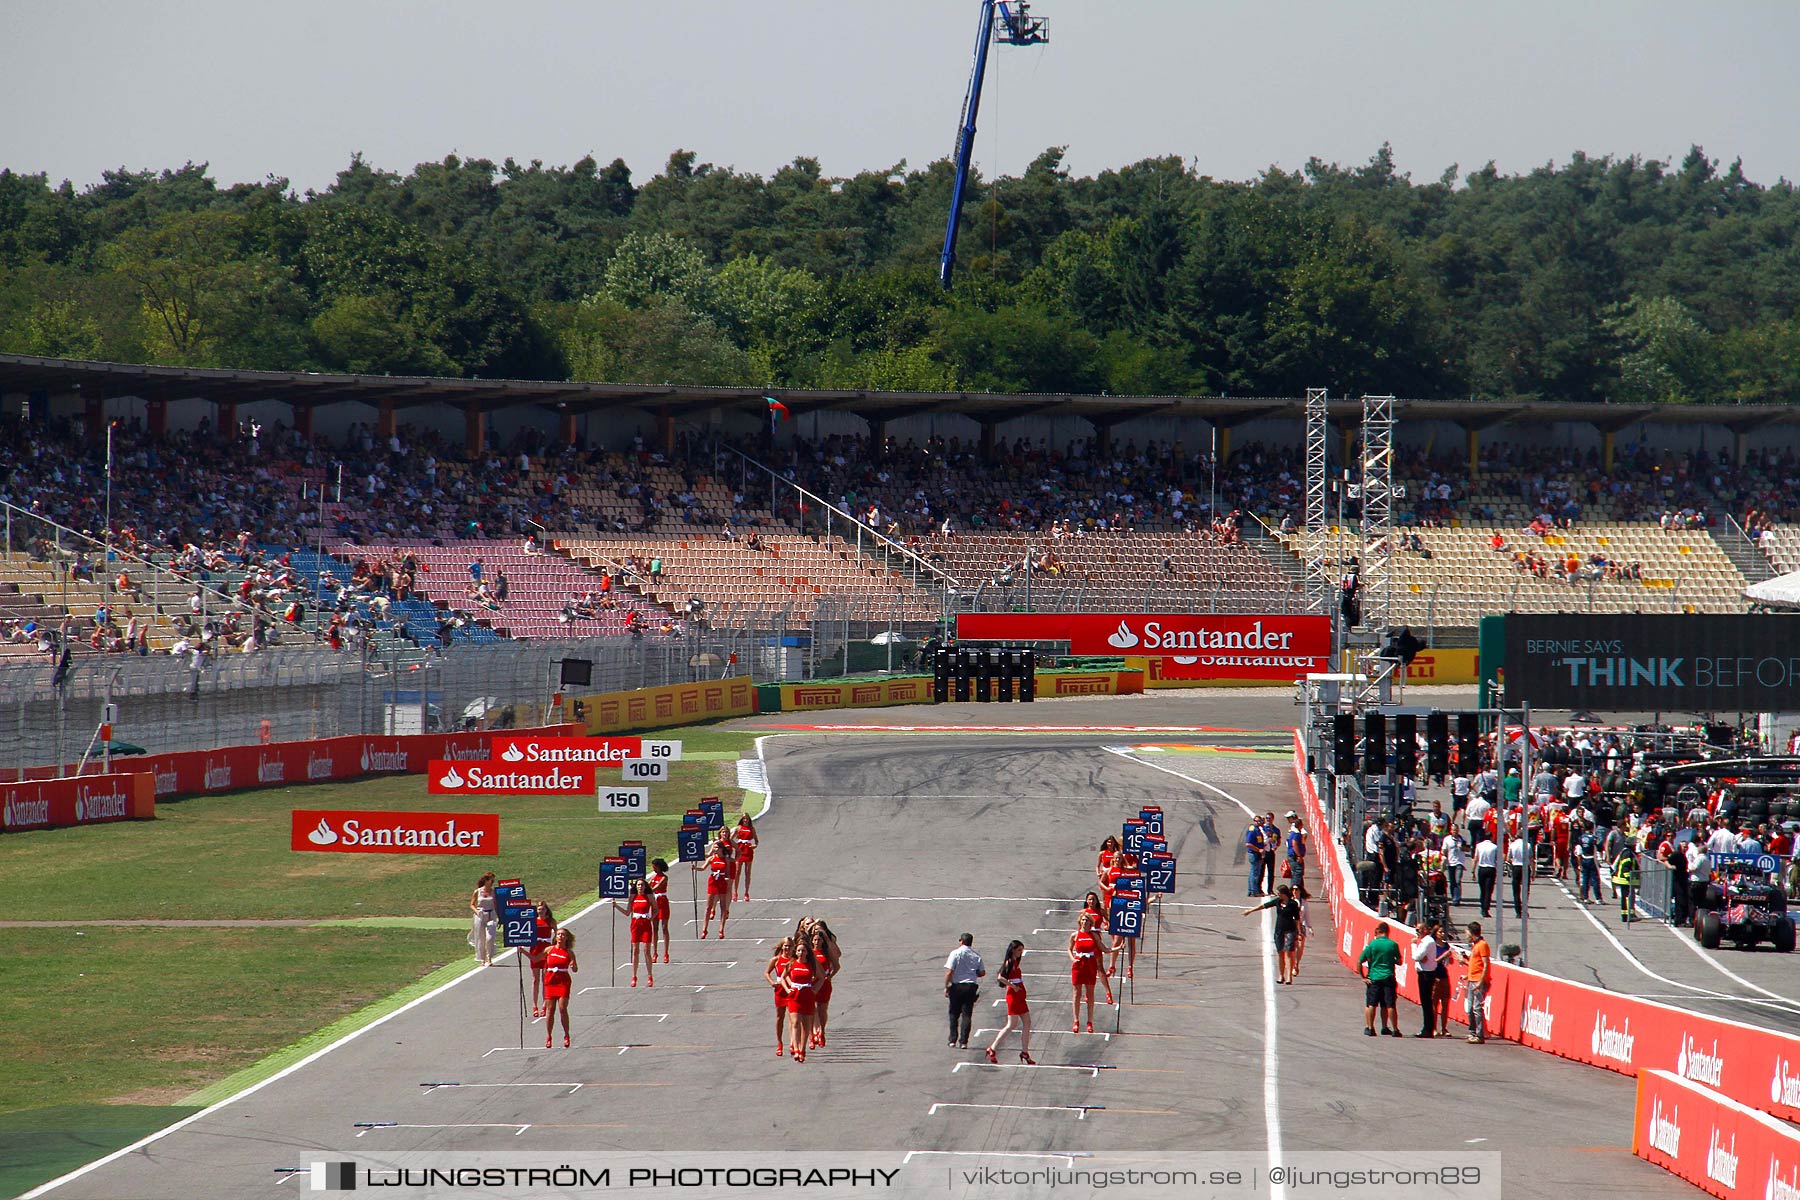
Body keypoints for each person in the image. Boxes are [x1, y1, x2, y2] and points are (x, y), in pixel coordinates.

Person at [985, 940, 1035, 1065]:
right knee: (1011, 1024)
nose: (1020, 953)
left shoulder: (1016, 962)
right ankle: (993, 1048)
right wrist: (1013, 986)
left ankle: (1025, 1051)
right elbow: (1000, 977)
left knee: (1027, 1022)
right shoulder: (1009, 962)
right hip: (1014, 996)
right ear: (1013, 950)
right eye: (1019, 950)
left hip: (1019, 995)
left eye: (1022, 951)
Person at [1244, 884, 1301, 985]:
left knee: (1288, 953)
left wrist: (1298, 932)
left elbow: (1297, 919)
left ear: (1284, 894)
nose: (1278, 895)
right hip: (1279, 930)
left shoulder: (1292, 904)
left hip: (1290, 930)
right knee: (1280, 953)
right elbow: (1264, 906)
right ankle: (1281, 975)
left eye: (1279, 893)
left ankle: (1289, 976)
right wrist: (1250, 911)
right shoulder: (1278, 902)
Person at [1359, 922, 1402, 1036]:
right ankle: (1393, 1029)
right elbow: (1400, 961)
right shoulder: (1393, 944)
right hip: (1388, 976)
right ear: (1388, 931)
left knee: (1371, 1003)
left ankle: (1370, 1027)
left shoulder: (1372, 944)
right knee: (1389, 1004)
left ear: (1378, 931)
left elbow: (1360, 961)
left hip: (1374, 977)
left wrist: (1363, 977)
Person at [1068, 912, 1109, 1032]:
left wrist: (1118, 948)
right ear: (1080, 922)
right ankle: (1076, 1021)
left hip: (1090, 964)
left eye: (1087, 920)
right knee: (1077, 993)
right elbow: (1069, 949)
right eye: (1083, 920)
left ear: (1091, 923)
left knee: (1090, 993)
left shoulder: (1094, 935)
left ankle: (1089, 1021)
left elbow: (1104, 949)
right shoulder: (1075, 935)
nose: (1085, 922)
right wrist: (1073, 959)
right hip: (1079, 964)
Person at [944, 932, 986, 1049]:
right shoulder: (976, 955)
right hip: (970, 987)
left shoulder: (955, 953)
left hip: (957, 986)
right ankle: (964, 1041)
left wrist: (946, 986)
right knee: (967, 1014)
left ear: (961, 941)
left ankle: (952, 1039)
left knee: (954, 1013)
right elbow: (982, 972)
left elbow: (949, 971)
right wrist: (974, 972)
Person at [614, 879, 656, 987]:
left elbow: (656, 909)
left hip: (645, 924)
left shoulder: (649, 896)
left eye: (642, 885)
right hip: (635, 924)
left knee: (646, 951)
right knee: (635, 950)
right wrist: (616, 906)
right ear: (636, 886)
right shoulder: (633, 897)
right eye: (638, 885)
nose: (640, 887)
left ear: (645, 886)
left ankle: (650, 976)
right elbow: (627, 912)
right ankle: (634, 976)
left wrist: (650, 919)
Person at [783, 938, 818, 1062]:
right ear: (796, 952)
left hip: (807, 995)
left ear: (807, 952)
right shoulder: (792, 963)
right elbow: (783, 977)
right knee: (795, 1022)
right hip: (794, 996)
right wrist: (788, 989)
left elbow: (821, 977)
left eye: (803, 950)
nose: (801, 952)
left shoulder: (811, 964)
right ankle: (796, 1048)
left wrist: (814, 990)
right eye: (799, 950)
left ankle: (803, 1049)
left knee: (806, 1024)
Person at [542, 928, 578, 1049]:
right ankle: (548, 1036)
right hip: (551, 981)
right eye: (558, 934)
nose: (560, 936)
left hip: (563, 981)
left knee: (562, 1008)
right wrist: (523, 951)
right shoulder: (549, 949)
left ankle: (566, 1035)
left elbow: (575, 969)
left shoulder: (569, 952)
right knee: (550, 1010)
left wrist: (573, 965)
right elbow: (536, 959)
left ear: (566, 937)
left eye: (563, 935)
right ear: (555, 937)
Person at [810, 925, 842, 1049]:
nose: (817, 942)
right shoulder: (809, 952)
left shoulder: (826, 952)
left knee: (822, 1009)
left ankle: (821, 1031)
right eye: (815, 940)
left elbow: (837, 965)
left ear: (822, 941)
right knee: (812, 1009)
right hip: (812, 983)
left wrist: (830, 976)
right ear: (812, 940)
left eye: (819, 940)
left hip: (824, 984)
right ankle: (812, 1034)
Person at [695, 838, 731, 938]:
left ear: (720, 848)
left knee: (723, 906)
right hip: (713, 881)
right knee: (708, 907)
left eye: (716, 847)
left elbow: (728, 872)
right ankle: (704, 929)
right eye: (714, 847)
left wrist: (727, 879)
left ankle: (721, 929)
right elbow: (703, 868)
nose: (715, 849)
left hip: (722, 881)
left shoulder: (726, 859)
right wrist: (695, 868)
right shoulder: (711, 858)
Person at [765, 937, 795, 1057]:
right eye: (785, 946)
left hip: (792, 990)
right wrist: (772, 982)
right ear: (782, 947)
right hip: (780, 991)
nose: (787, 948)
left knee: (792, 1018)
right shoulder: (776, 959)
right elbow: (767, 972)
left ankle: (792, 1043)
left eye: (789, 946)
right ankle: (780, 1043)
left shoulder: (794, 960)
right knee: (779, 1017)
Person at [1462, 922, 1491, 1044]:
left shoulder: (1482, 945)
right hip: (1472, 979)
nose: (1466, 935)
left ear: (1472, 933)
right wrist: (1467, 975)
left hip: (1478, 981)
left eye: (1467, 932)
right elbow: (1475, 965)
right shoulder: (1475, 946)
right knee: (1470, 1008)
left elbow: (1485, 965)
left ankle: (1479, 1035)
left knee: (1477, 1008)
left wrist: (1481, 981)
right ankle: (1472, 1032)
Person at [1411, 922, 1442, 1036]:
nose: (1417, 933)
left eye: (1418, 930)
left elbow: (1416, 956)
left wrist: (1413, 945)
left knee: (1427, 1002)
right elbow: (1420, 958)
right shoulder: (1425, 942)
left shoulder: (1428, 941)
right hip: (1424, 972)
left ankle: (1428, 1029)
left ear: (1424, 930)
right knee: (1425, 1002)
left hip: (1427, 974)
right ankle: (1427, 1027)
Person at [527, 900, 556, 1017]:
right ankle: (535, 1005)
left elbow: (557, 932)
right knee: (535, 979)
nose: (541, 911)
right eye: (539, 909)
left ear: (546, 910)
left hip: (546, 949)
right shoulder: (533, 921)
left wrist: (553, 945)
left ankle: (544, 1005)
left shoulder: (550, 921)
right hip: (535, 949)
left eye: (542, 909)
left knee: (545, 979)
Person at [468, 872, 497, 966]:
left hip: (491, 914)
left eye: (493, 880)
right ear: (486, 880)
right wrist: (477, 911)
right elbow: (472, 904)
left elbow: (496, 905)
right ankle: (482, 959)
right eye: (491, 880)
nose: (492, 882)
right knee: (481, 938)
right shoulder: (478, 891)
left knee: (490, 938)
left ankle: (489, 957)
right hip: (480, 914)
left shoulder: (493, 892)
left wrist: (499, 917)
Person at [646, 858, 672, 964]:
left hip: (662, 901)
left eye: (655, 867)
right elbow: (648, 885)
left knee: (664, 927)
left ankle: (666, 953)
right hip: (655, 902)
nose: (654, 869)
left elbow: (656, 887)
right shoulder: (653, 877)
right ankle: (655, 952)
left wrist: (647, 890)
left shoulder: (664, 877)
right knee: (655, 928)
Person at [732, 813, 758, 900]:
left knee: (747, 872)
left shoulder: (751, 828)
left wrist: (754, 845)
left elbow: (756, 840)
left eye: (747, 819)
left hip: (748, 850)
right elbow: (730, 839)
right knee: (737, 871)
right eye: (744, 819)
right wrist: (735, 846)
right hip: (740, 849)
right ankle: (735, 892)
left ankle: (746, 893)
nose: (745, 820)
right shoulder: (738, 828)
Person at [1612, 843, 1640, 923]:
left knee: (1626, 898)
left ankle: (1626, 915)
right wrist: (1629, 878)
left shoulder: (1626, 852)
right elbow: (1626, 867)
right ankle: (1629, 916)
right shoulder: (1628, 854)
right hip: (1625, 880)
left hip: (1623, 879)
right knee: (1628, 898)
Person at [1284, 813, 1308, 897]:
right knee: (1297, 874)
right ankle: (1293, 893)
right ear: (1300, 825)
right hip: (1295, 856)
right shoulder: (1297, 834)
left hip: (1292, 855)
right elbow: (1294, 844)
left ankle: (1301, 892)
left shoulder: (1293, 832)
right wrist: (1299, 856)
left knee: (1298, 874)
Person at [1442, 829, 1466, 905]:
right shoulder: (1447, 839)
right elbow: (1444, 850)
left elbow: (1468, 849)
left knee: (1458, 880)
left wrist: (1462, 847)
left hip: (1459, 862)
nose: (1455, 832)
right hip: (1450, 862)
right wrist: (1444, 860)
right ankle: (1453, 896)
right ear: (1451, 831)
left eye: (1456, 830)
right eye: (1453, 830)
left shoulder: (1462, 839)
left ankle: (1457, 898)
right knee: (1452, 881)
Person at [1508, 830, 1528, 918]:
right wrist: (1534, 872)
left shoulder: (1512, 845)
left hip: (1516, 867)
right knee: (1525, 890)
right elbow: (1531, 859)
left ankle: (1518, 911)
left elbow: (1509, 858)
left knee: (1516, 891)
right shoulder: (1528, 845)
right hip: (1525, 867)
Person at [1244, 819, 1267, 897]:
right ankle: (1254, 891)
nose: (1260, 822)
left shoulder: (1258, 830)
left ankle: (1251, 890)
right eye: (1257, 821)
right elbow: (1248, 843)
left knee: (1253, 872)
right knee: (1255, 873)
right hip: (1254, 854)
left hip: (1257, 854)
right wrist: (1258, 850)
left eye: (1260, 821)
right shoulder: (1252, 830)